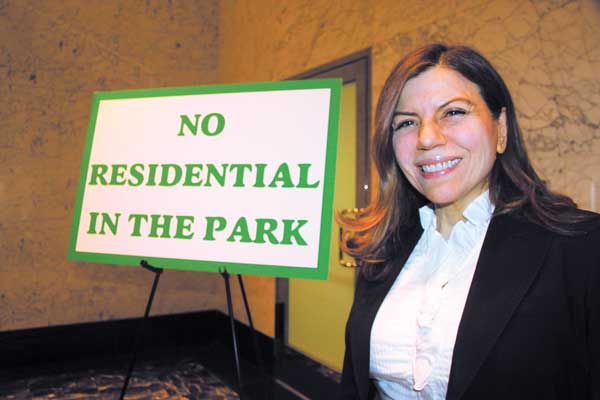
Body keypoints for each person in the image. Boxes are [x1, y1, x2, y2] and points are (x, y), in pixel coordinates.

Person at [338, 43, 600, 400]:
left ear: (502, 127)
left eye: (453, 112)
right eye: (407, 122)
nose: (427, 138)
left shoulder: (580, 248)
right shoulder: (384, 251)